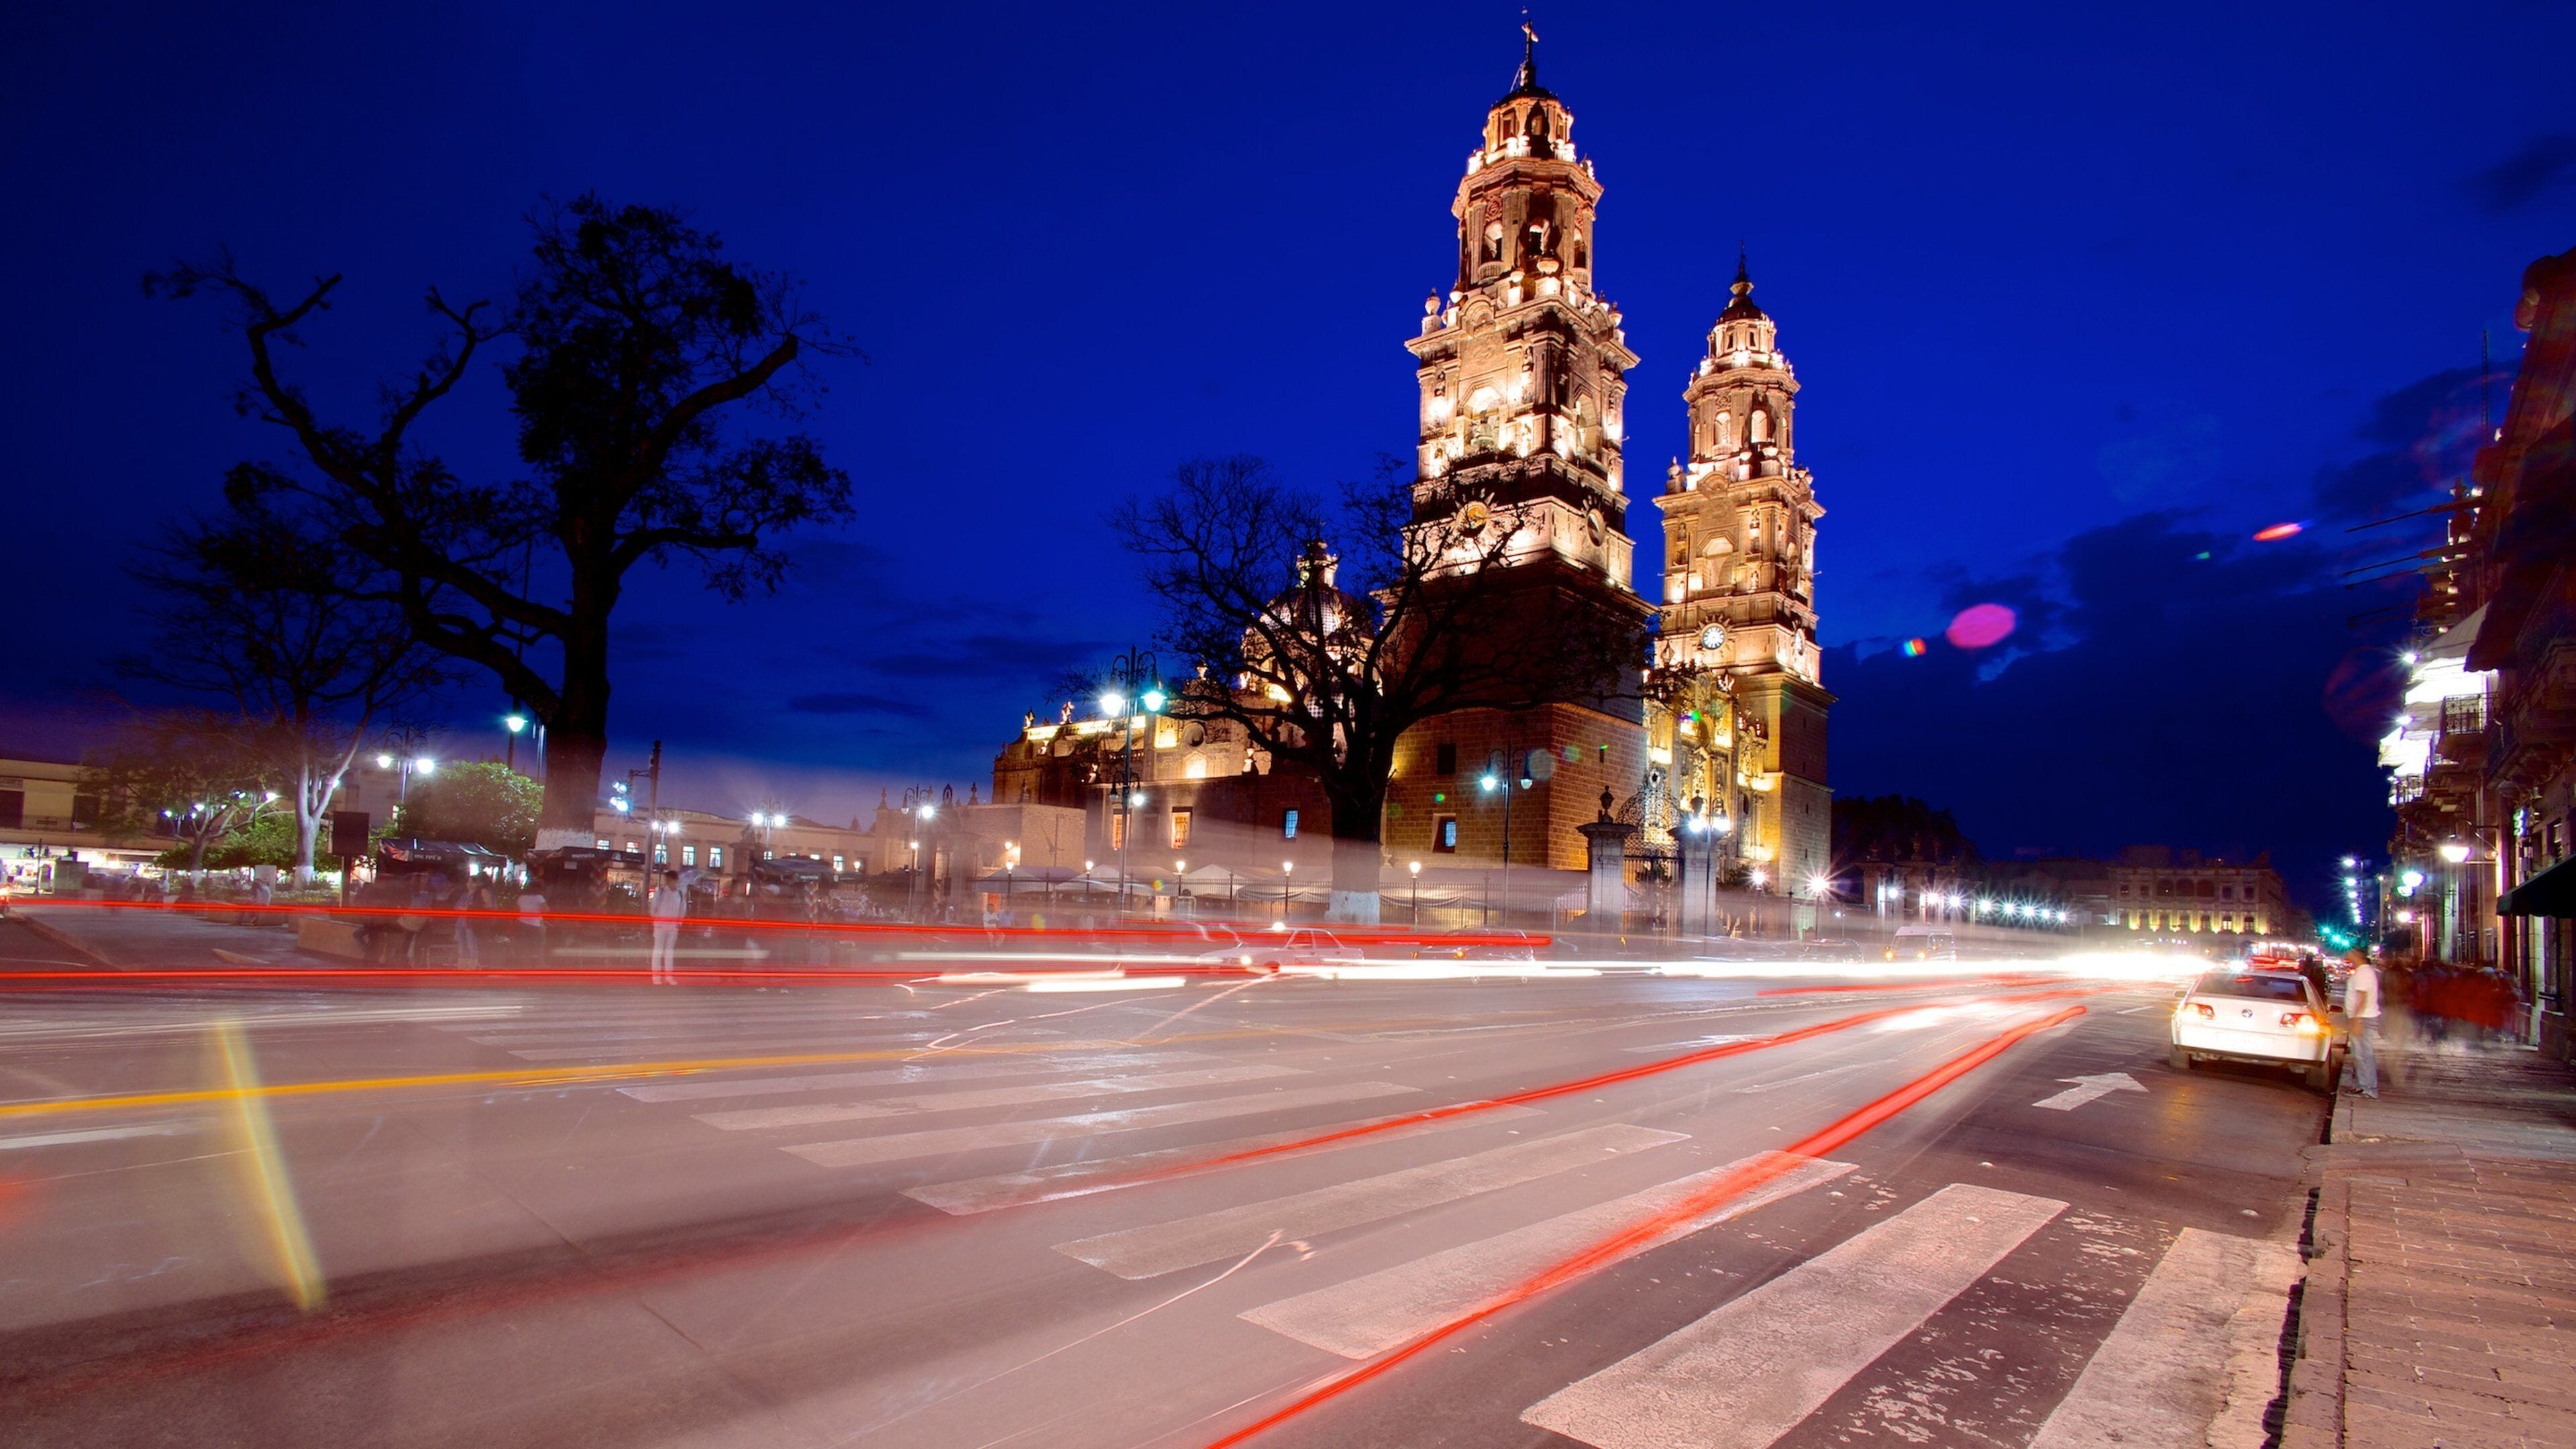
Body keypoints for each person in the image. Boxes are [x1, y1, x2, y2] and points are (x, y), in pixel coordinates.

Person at [2345, 955, 2383, 1098]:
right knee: (2361, 1054)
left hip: (2363, 1019)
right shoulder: (2366, 972)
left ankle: (2368, 1088)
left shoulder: (2363, 973)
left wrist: (2356, 1020)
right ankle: (2364, 1086)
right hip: (2364, 1018)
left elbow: (2362, 998)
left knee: (2364, 1055)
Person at [648, 869, 686, 985]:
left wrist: (679, 923)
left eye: (671, 880)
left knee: (669, 952)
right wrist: (657, 921)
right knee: (658, 951)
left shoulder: (680, 894)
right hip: (660, 927)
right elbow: (653, 909)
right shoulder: (660, 893)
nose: (669, 882)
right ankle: (656, 977)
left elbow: (682, 910)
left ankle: (669, 976)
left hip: (673, 928)